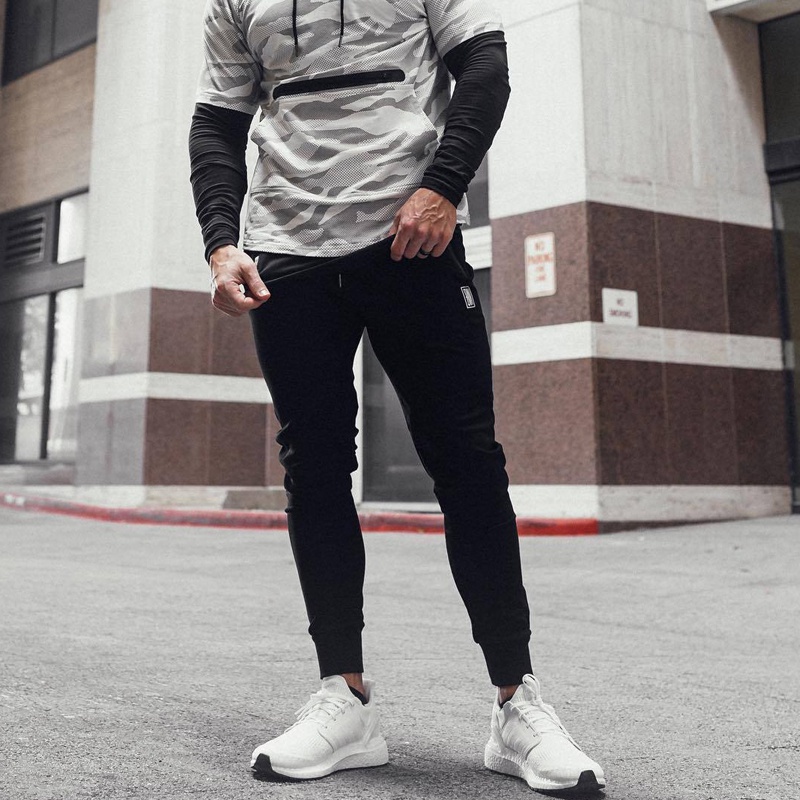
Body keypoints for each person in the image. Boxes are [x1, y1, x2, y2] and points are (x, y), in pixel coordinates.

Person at [189, 0, 606, 792]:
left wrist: (443, 187)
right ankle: (342, 698)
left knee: (467, 461)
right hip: (287, 251)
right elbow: (217, 119)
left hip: (412, 237)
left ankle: (517, 704)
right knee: (313, 466)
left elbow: (485, 64)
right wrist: (220, 240)